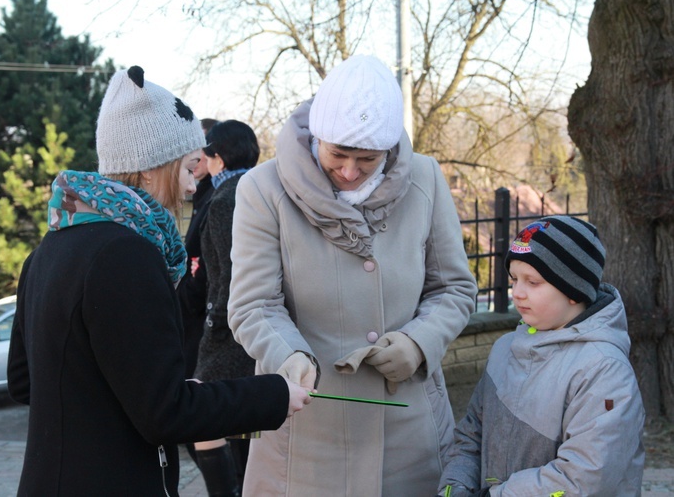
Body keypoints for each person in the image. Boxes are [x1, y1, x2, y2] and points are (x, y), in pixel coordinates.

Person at [6, 66, 311, 496]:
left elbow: (27, 381)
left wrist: (139, 387)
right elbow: (165, 414)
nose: (192, 185)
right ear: (151, 169)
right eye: (188, 168)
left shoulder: (50, 247)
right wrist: (273, 395)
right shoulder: (125, 254)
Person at [228, 54, 478, 495]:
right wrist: (288, 357)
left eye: (367, 158)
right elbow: (254, 305)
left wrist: (420, 342)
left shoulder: (426, 179)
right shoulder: (262, 190)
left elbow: (454, 288)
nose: (349, 171)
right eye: (337, 154)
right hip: (305, 437)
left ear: (390, 148)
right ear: (316, 137)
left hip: (409, 433)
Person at [438, 216, 645, 496]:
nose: (518, 293)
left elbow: (586, 477)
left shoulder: (603, 369)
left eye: (533, 282)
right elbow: (471, 436)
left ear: (574, 290)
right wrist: (455, 486)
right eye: (514, 279)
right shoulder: (504, 349)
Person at [192, 119, 262, 496]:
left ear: (218, 158)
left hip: (229, 329)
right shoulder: (260, 190)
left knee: (207, 414)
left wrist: (214, 320)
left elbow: (228, 273)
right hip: (252, 325)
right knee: (243, 423)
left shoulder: (225, 201)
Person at [178, 117, 220, 380]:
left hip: (202, 308)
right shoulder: (204, 191)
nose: (196, 156)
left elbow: (209, 256)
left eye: (202, 149)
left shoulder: (219, 195)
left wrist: (190, 294)